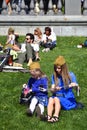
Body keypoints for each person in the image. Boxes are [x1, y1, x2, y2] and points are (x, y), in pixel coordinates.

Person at [46, 56, 80, 123]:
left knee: (56, 98)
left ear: (63, 68)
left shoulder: (71, 75)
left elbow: (77, 89)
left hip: (67, 97)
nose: (57, 70)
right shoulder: (54, 76)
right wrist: (54, 89)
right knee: (50, 99)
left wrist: (76, 86)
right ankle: (49, 116)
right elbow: (52, 89)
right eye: (55, 68)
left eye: (59, 68)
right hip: (58, 94)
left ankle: (56, 116)